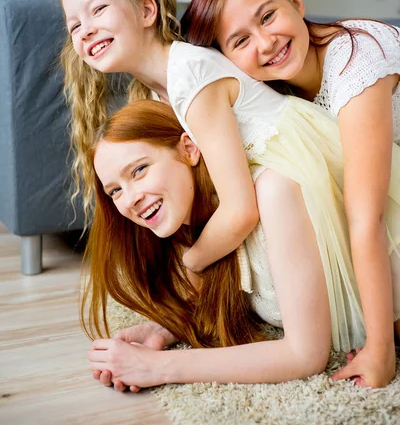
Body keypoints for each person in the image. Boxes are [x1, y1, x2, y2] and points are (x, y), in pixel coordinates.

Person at [61, 0, 400, 387]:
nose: (85, 29)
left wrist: (192, 262)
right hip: (289, 195)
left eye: (97, 11)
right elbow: (211, 201)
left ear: (147, 11)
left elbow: (238, 211)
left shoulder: (189, 72)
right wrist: (173, 323)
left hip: (322, 187)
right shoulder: (158, 90)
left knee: (268, 195)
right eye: (73, 25)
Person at [180, 0, 400, 388]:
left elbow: (365, 215)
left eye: (268, 16)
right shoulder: (276, 91)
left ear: (295, 1)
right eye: (241, 40)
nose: (266, 42)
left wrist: (379, 351)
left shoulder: (357, 58)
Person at [86, 100, 345, 390]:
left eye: (139, 170)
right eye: (115, 190)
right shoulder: (193, 231)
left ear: (188, 149)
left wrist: (158, 367)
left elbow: (306, 356)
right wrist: (170, 327)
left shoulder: (274, 190)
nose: (130, 198)